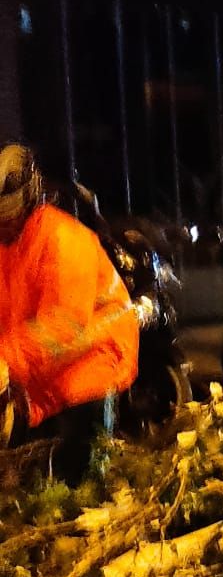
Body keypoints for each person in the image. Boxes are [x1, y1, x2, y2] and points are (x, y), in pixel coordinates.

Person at [0, 144, 139, 478]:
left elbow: (62, 325)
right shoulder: (8, 245)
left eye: (8, 218)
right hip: (42, 371)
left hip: (92, 363)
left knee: (82, 485)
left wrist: (5, 361)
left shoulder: (63, 239)